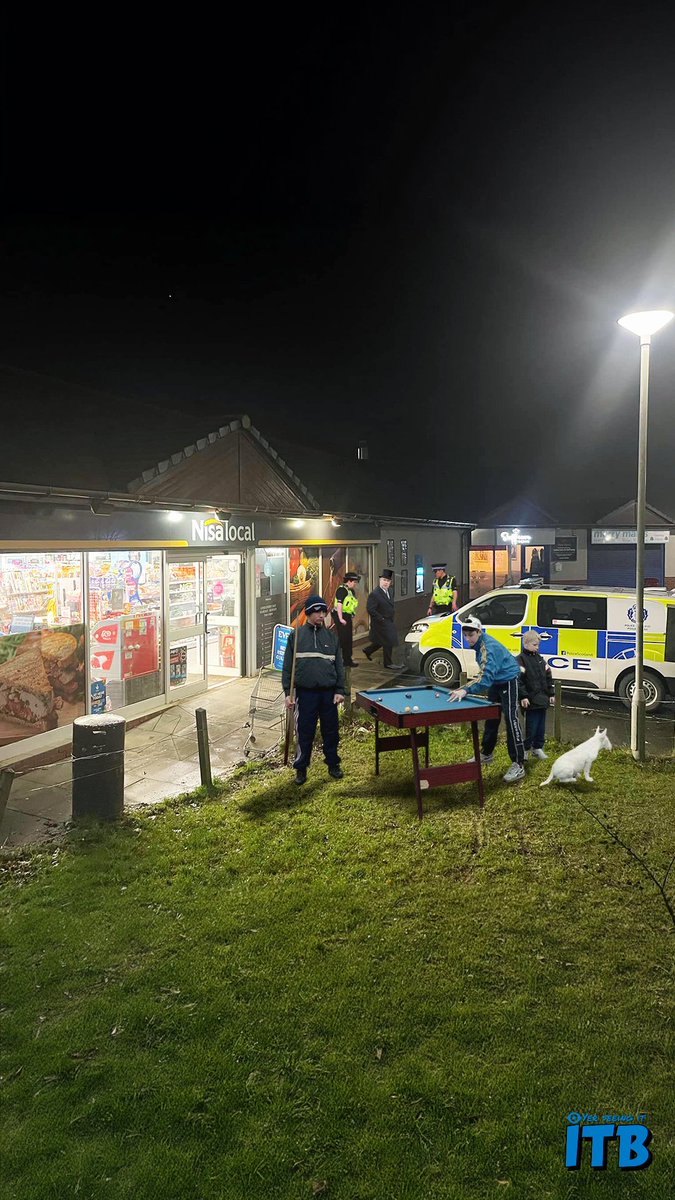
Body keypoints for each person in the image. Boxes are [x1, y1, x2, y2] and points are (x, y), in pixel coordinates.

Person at [448, 614, 525, 783]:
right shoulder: (479, 645)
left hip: (508, 680)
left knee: (511, 719)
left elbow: (485, 678)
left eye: (471, 635)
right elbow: (485, 674)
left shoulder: (487, 648)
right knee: (491, 717)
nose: (468, 638)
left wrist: (465, 690)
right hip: (497, 681)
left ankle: (519, 764)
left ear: (479, 632)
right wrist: (465, 688)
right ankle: (487, 754)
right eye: (466, 635)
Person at [282, 594, 345, 785]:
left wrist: (340, 690)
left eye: (323, 611)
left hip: (328, 694)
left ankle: (333, 763)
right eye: (317, 611)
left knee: (331, 731)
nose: (321, 614)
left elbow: (339, 666)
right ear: (309, 613)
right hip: (305, 693)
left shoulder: (331, 638)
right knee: (305, 731)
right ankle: (301, 768)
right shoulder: (297, 635)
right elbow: (288, 667)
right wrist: (288, 693)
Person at [517, 630, 554, 760]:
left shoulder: (540, 660)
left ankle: (538, 747)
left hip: (542, 699)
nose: (537, 647)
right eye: (534, 645)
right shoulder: (520, 660)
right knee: (531, 727)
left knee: (541, 726)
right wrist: (523, 696)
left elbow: (548, 676)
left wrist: (551, 693)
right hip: (531, 700)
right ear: (525, 643)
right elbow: (519, 680)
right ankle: (526, 748)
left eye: (538, 645)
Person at [363, 569, 402, 670]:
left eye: (388, 581)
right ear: (380, 580)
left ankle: (368, 650)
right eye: (384, 580)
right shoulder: (375, 594)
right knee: (389, 641)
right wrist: (381, 618)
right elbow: (370, 609)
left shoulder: (390, 591)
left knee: (381, 641)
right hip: (381, 622)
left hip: (389, 620)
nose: (386, 583)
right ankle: (388, 663)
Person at [331, 571, 360, 667]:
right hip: (341, 616)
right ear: (349, 581)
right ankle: (340, 660)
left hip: (347, 616)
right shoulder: (342, 590)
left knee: (348, 639)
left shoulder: (350, 591)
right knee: (343, 639)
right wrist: (340, 619)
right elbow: (339, 605)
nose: (355, 584)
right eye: (354, 582)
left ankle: (348, 660)